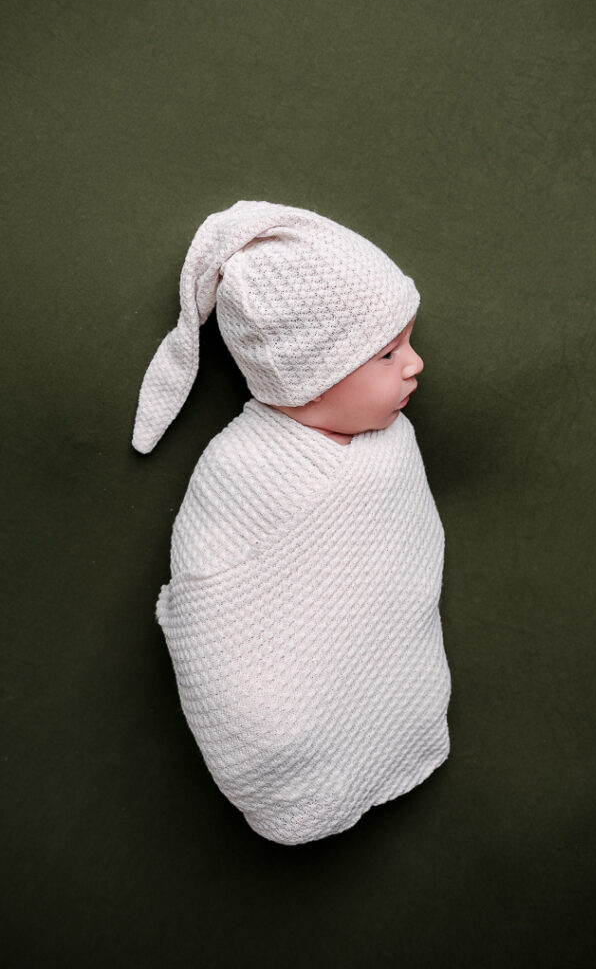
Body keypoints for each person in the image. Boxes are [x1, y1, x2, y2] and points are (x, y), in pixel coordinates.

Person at [132, 200, 452, 845]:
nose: (414, 364)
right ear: (312, 374)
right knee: (278, 725)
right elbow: (211, 598)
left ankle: (387, 733)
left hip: (387, 677)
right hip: (282, 710)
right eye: (389, 354)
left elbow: (399, 576)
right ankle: (298, 770)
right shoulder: (241, 467)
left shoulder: (392, 442)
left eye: (408, 344)